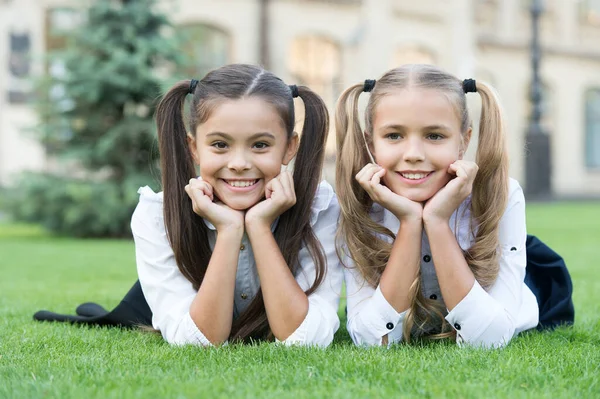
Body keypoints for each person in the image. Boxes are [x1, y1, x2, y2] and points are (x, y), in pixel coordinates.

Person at [34, 64, 343, 347]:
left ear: (289, 148)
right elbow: (198, 341)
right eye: (220, 145)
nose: (238, 164)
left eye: (260, 145)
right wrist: (229, 229)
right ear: (194, 148)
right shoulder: (156, 215)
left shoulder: (319, 208)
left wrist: (259, 227)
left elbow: (305, 339)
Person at [335, 64, 573, 348]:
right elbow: (373, 341)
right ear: (370, 143)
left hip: (524, 290)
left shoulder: (503, 194)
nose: (413, 154)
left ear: (464, 141)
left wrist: (436, 221)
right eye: (394, 136)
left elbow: (489, 339)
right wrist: (411, 223)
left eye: (434, 136)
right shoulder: (356, 201)